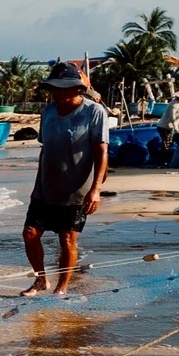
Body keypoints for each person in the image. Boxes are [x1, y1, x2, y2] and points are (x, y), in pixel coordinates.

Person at [21, 63, 110, 295]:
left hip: (77, 189)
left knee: (67, 239)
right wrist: (36, 186)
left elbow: (101, 152)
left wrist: (96, 189)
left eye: (63, 88)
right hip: (46, 188)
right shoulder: (47, 113)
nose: (57, 93)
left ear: (77, 89)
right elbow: (45, 151)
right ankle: (41, 280)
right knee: (30, 234)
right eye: (54, 88)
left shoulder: (94, 112)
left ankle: (61, 287)